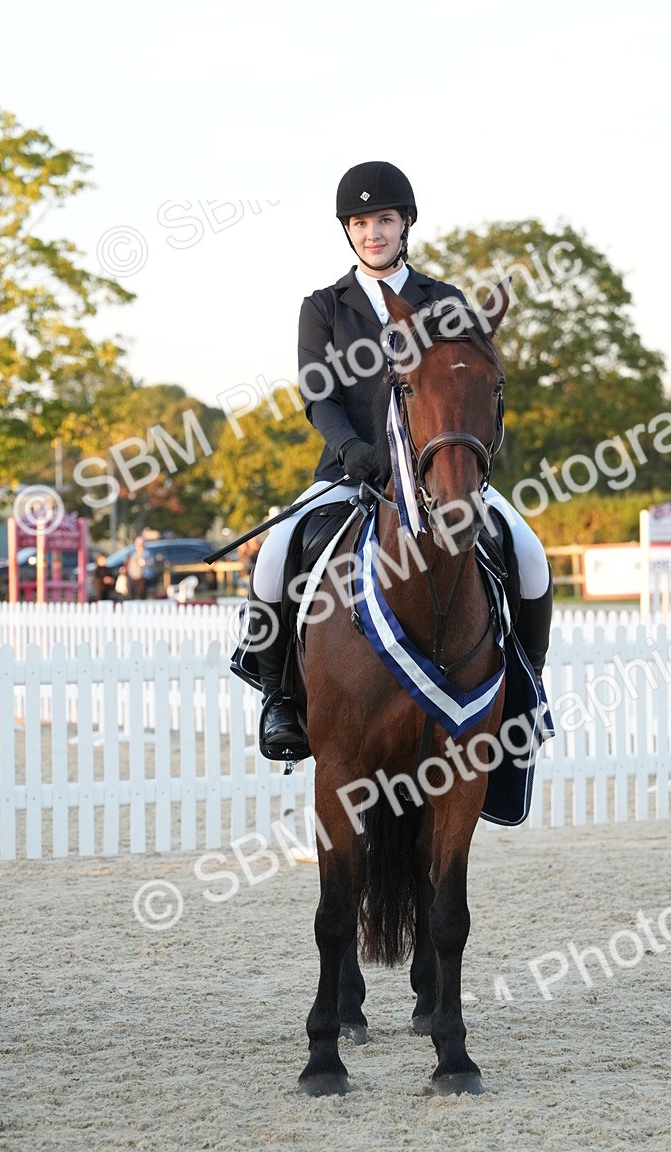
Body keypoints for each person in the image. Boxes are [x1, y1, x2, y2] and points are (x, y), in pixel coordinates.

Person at [232, 161, 553, 754]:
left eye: (383, 219)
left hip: (442, 475)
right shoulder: (324, 306)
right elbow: (317, 393)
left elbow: (466, 384)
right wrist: (350, 447)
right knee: (275, 556)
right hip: (351, 473)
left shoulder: (445, 300)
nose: (372, 232)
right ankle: (277, 695)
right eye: (359, 222)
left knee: (528, 554)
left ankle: (527, 690)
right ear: (347, 231)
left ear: (405, 223)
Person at [125, 535, 149, 600]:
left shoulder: (146, 554)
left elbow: (148, 566)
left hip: (142, 579)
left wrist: (141, 563)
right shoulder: (132, 553)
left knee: (141, 595)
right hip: (132, 578)